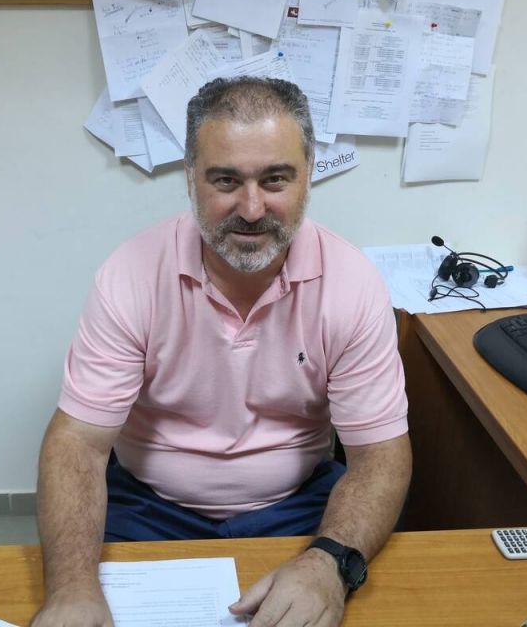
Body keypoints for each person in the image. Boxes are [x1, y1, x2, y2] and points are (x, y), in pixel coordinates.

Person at [32, 76, 411, 627]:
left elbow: (380, 457)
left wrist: (328, 561)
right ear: (191, 178)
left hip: (300, 508)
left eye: (275, 179)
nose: (252, 209)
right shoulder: (130, 275)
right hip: (147, 508)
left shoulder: (353, 283)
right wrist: (71, 588)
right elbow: (78, 443)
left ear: (308, 175)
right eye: (226, 179)